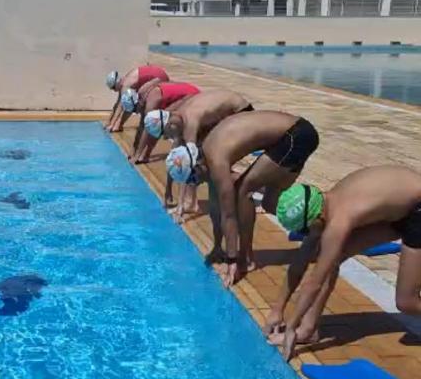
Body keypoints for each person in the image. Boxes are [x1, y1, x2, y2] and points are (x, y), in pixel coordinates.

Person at [266, 166, 421, 360]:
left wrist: (290, 329)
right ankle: (308, 330)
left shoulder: (339, 221)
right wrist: (278, 310)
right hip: (398, 209)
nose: (308, 235)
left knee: (408, 302)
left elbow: (313, 283)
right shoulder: (323, 201)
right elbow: (300, 261)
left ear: (317, 218)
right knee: (330, 257)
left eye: (307, 229)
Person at [201, 110, 319, 285]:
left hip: (294, 136)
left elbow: (228, 214)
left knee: (243, 189)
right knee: (270, 203)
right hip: (300, 133)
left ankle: (246, 257)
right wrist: (218, 245)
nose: (200, 182)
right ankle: (320, 228)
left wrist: (232, 260)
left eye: (196, 179)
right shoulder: (206, 150)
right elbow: (216, 206)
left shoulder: (216, 160)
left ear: (197, 165)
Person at [159, 89, 254, 227]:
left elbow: (188, 162)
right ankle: (190, 202)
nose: (168, 137)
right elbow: (176, 154)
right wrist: (167, 190)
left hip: (241, 113)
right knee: (199, 154)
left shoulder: (190, 121)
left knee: (213, 161)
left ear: (169, 125)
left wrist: (179, 210)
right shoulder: (178, 114)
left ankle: (252, 186)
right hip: (228, 113)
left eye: (167, 134)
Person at [124, 81, 200, 164]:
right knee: (159, 123)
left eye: (134, 110)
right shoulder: (143, 96)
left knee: (176, 127)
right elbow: (151, 128)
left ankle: (183, 158)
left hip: (192, 95)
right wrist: (137, 151)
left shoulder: (150, 104)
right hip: (184, 92)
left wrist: (137, 155)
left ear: (137, 103)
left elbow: (148, 129)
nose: (136, 112)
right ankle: (146, 155)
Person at [105, 65, 169, 132]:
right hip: (160, 73)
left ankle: (154, 123)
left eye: (113, 88)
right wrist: (108, 121)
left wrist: (112, 125)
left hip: (160, 78)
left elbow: (121, 107)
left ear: (117, 82)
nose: (114, 91)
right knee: (136, 100)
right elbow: (117, 104)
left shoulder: (126, 86)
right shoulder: (125, 80)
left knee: (133, 103)